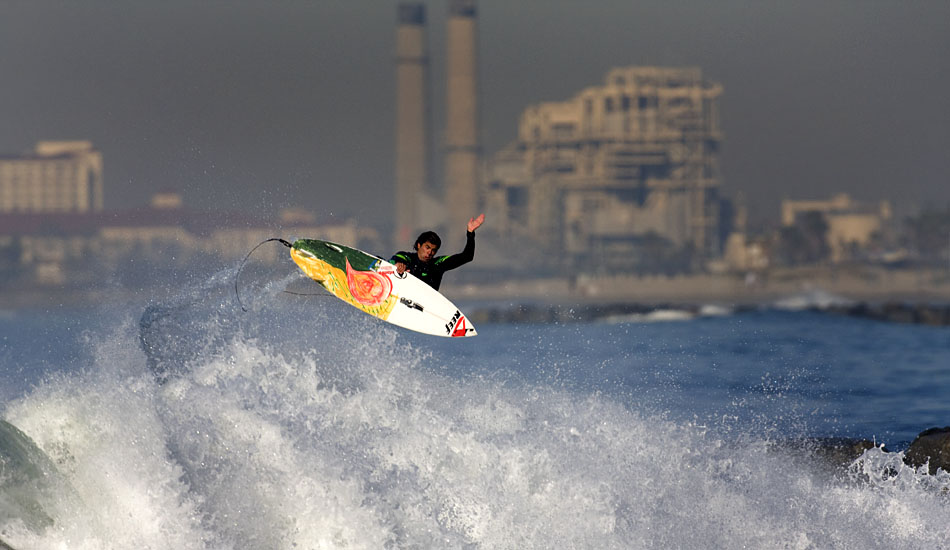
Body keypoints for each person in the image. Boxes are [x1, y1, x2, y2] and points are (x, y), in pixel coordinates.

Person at [391, 214, 484, 291]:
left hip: (425, 306)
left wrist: (470, 233)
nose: (430, 252)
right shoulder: (406, 257)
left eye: (433, 250)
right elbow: (394, 259)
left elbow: (467, 257)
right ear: (419, 245)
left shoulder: (438, 264)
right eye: (427, 247)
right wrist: (397, 264)